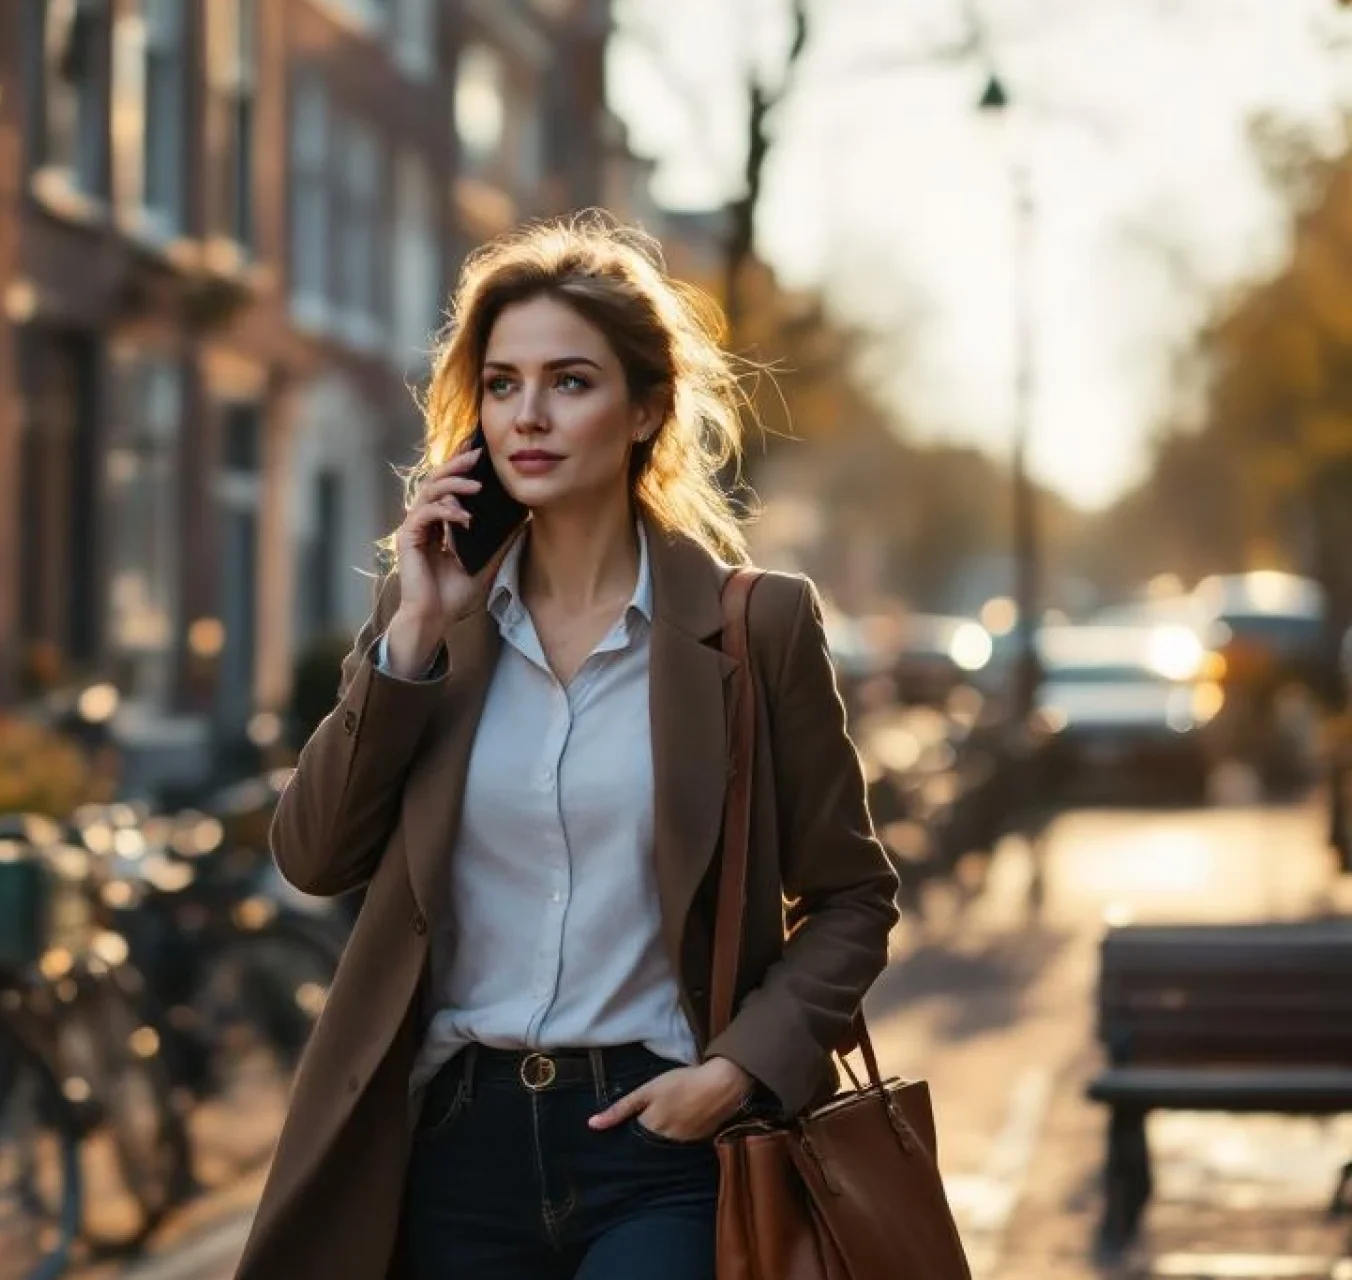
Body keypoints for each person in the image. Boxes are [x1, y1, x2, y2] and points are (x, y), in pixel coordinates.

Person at [232, 214, 901, 1280]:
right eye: (501, 384)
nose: (527, 416)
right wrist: (409, 635)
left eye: (569, 382)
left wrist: (735, 1071)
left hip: (663, 1140)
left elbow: (853, 895)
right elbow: (314, 854)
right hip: (454, 1140)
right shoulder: (429, 619)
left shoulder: (753, 627)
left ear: (645, 408)